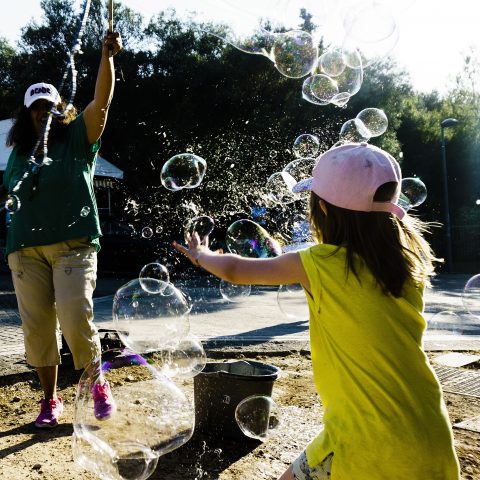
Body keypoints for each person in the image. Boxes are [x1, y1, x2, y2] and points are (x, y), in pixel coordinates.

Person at [174, 142, 460, 480]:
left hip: (367, 438)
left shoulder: (320, 265)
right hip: (428, 426)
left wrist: (202, 256)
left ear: (323, 210)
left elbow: (236, 270)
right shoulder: (407, 262)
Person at [3, 31, 122, 429]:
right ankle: (49, 401)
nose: (43, 112)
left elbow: (101, 105)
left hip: (73, 245)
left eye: (49, 105)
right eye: (36, 107)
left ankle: (95, 382)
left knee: (74, 316)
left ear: (61, 109)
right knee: (37, 327)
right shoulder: (19, 152)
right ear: (27, 113)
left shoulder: (77, 138)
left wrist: (106, 58)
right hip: (25, 249)